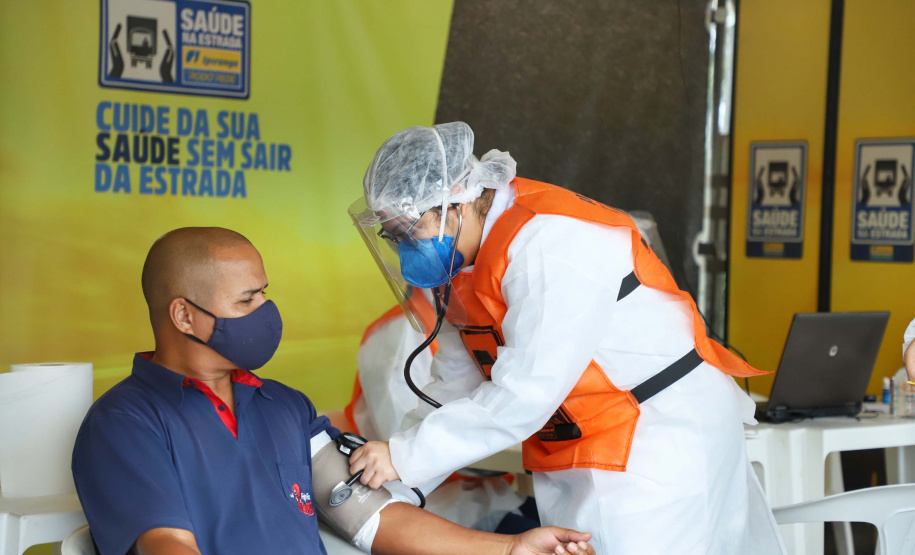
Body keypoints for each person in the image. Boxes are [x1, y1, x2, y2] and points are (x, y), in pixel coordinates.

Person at [346, 122, 787, 554]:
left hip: (659, 437)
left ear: (457, 202)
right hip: (585, 440)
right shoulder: (463, 265)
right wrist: (396, 476)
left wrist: (404, 457)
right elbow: (453, 386)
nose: (405, 250)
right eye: (393, 236)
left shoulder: (549, 241)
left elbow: (526, 393)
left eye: (410, 231)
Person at [70, 227, 596, 555]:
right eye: (247, 300)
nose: (266, 314)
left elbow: (369, 516)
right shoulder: (126, 422)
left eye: (265, 295)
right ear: (184, 315)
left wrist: (509, 550)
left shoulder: (282, 406)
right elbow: (167, 545)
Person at [331, 288, 539, 533]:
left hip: (487, 492)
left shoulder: (458, 320)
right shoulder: (400, 334)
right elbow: (404, 446)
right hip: (438, 508)